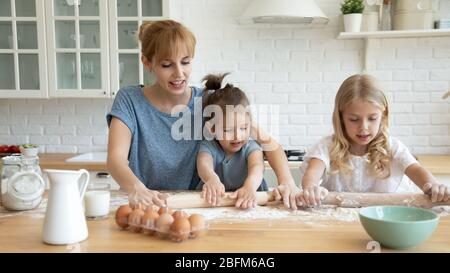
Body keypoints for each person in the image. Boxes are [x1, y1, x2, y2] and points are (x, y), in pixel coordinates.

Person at [106, 19, 300, 209]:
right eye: (167, 65)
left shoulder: (209, 102)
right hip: (149, 204)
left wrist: (287, 181)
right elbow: (116, 160)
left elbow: (269, 144)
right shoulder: (129, 100)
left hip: (195, 206)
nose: (179, 73)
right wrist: (137, 189)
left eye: (185, 62)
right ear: (147, 62)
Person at [295, 74, 450, 207]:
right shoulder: (327, 147)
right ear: (341, 118)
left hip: (386, 219)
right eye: (354, 119)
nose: (364, 127)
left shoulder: (392, 147)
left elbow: (416, 170)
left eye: (372, 118)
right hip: (337, 221)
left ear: (383, 116)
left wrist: (434, 186)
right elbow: (312, 173)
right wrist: (311, 188)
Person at [196, 73, 267, 209]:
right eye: (228, 130)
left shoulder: (251, 148)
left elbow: (257, 168)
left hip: (251, 205)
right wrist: (211, 179)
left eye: (243, 128)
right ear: (212, 129)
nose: (237, 136)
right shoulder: (209, 146)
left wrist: (249, 186)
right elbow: (203, 165)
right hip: (217, 206)